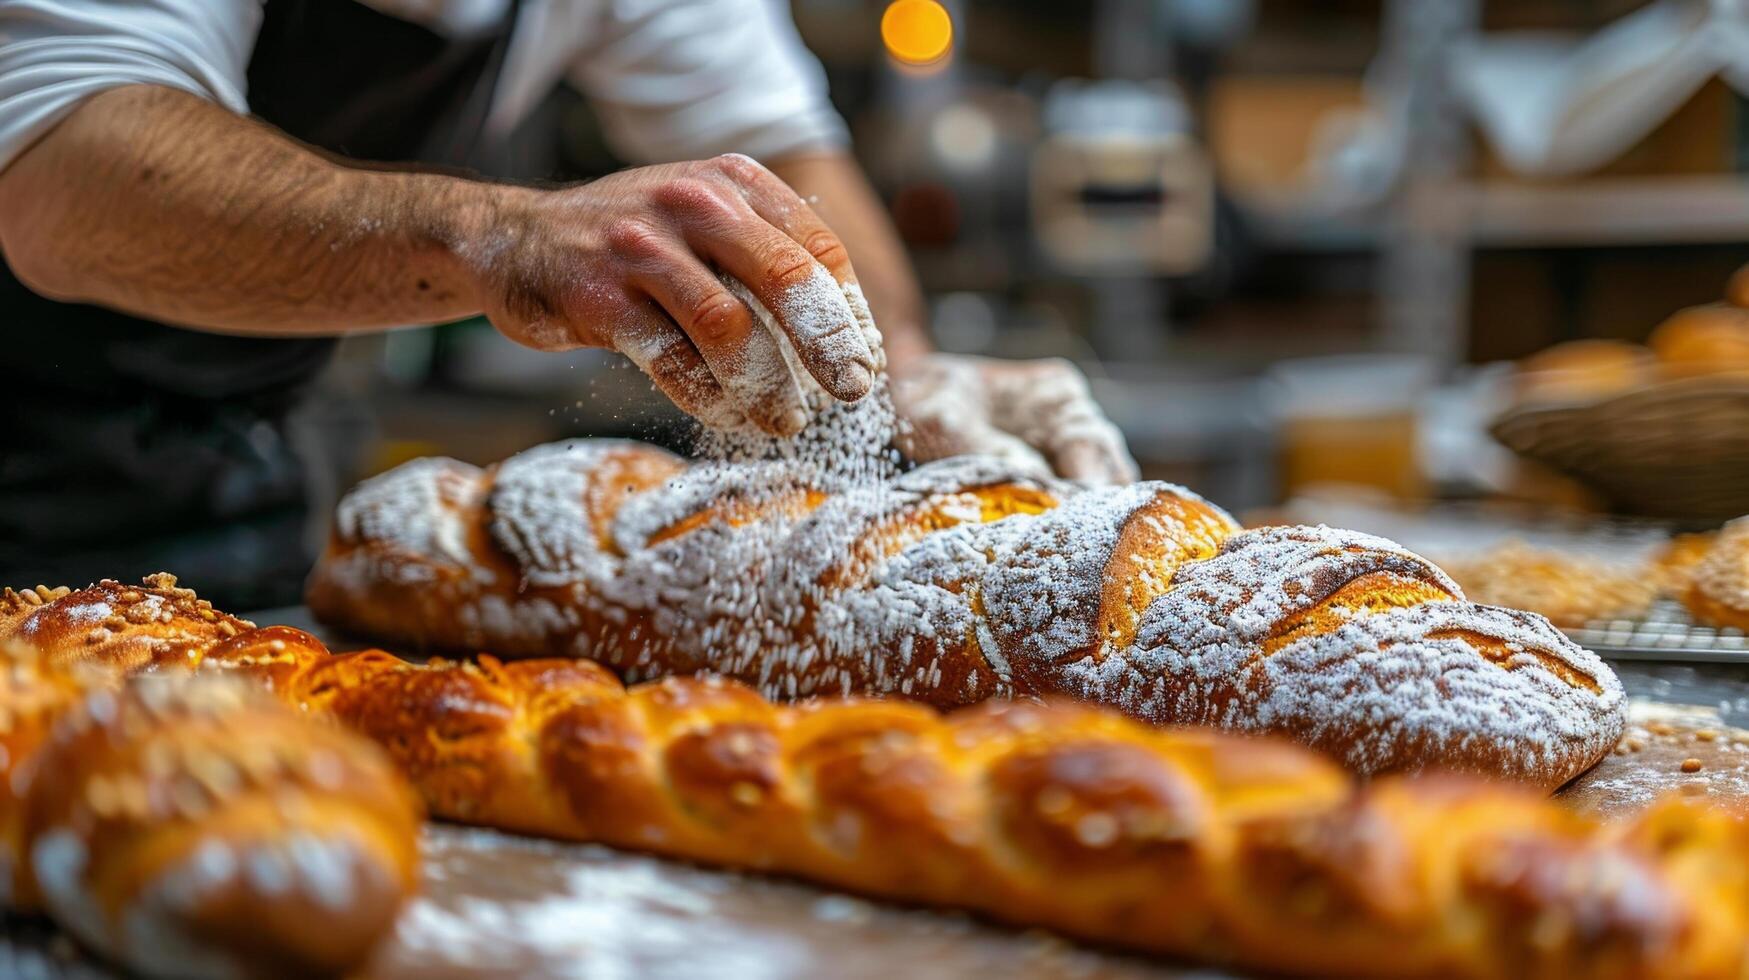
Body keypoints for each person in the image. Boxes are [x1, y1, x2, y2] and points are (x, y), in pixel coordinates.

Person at [0, 0, 1137, 608]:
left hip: (232, 469)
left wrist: (902, 369)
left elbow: (793, 171)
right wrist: (503, 239)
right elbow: (62, 174)